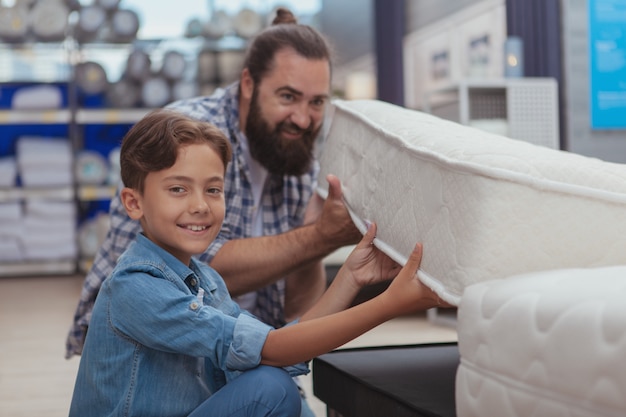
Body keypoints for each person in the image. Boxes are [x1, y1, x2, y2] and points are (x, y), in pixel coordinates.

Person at [69, 109, 445, 416]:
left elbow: (277, 347)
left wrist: (351, 277)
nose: (200, 205)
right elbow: (275, 351)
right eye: (178, 189)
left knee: (275, 383)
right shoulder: (136, 286)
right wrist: (391, 304)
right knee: (271, 390)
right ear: (134, 203)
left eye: (213, 189)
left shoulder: (205, 280)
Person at [66, 7, 359, 357]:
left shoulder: (298, 158)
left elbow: (294, 308)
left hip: (243, 344)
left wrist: (318, 238)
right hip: (150, 352)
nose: (303, 118)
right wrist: (318, 236)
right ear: (248, 84)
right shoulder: (191, 135)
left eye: (317, 103)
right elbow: (189, 273)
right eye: (287, 97)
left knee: (280, 392)